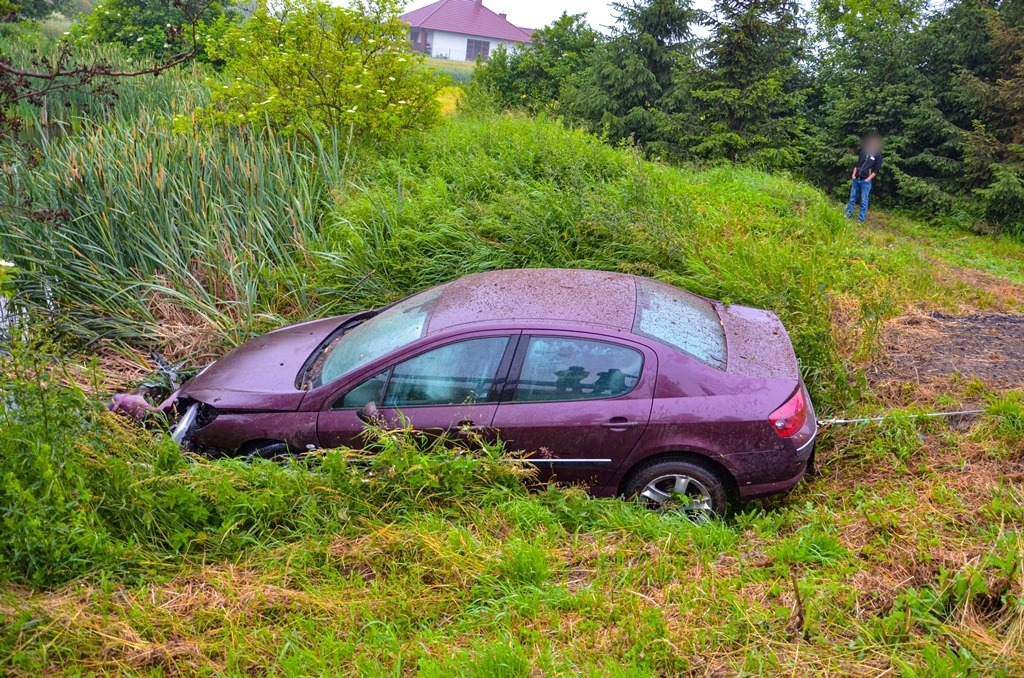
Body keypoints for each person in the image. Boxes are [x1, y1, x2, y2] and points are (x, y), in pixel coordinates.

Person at [845, 133, 884, 222]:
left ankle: (861, 219)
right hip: (856, 179)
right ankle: (847, 215)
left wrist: (868, 179)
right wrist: (853, 175)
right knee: (852, 199)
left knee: (864, 201)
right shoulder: (863, 153)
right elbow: (857, 164)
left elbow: (876, 171)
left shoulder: (878, 156)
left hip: (865, 182)